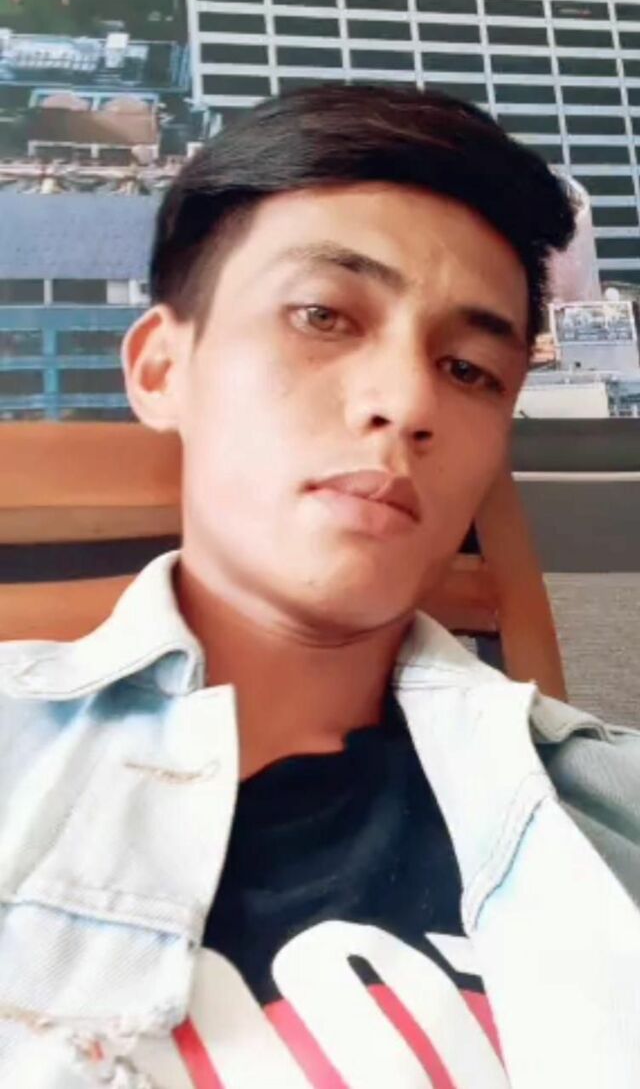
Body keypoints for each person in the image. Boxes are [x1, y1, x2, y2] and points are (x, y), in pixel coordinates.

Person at [1, 84, 639, 1089]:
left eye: (469, 369)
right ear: (162, 368)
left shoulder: (611, 813)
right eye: (322, 315)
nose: (407, 400)